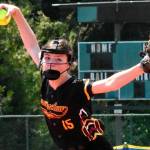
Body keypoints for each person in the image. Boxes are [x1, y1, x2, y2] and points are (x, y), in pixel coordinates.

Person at [0, 3, 150, 150]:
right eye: (48, 58)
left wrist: (142, 67)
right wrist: (17, 13)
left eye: (58, 59)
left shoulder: (77, 88)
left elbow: (111, 83)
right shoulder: (45, 74)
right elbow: (32, 45)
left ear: (69, 64)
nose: (51, 63)